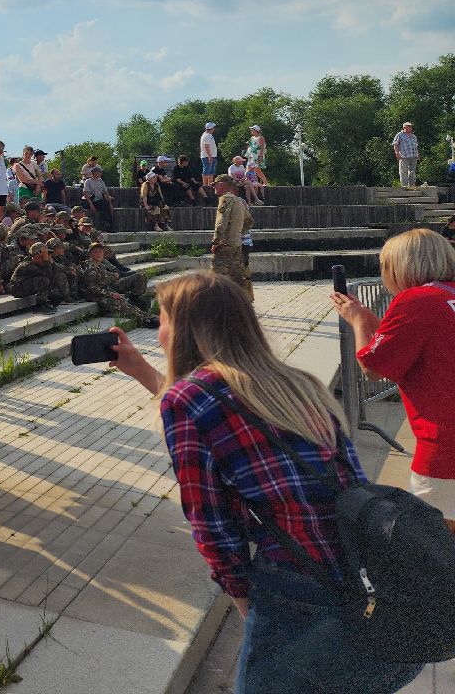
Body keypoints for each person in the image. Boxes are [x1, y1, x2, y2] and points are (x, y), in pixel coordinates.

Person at [111, 271, 424, 694]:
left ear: (185, 330)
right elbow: (351, 477)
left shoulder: (186, 400)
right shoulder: (297, 384)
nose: (158, 333)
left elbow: (211, 523)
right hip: (358, 566)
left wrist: (244, 601)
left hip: (295, 581)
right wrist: (141, 371)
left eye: (162, 320)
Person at [330, 228, 455, 532]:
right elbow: (402, 339)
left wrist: (357, 320)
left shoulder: (415, 300)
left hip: (445, 448)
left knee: (432, 541)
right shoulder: (445, 296)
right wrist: (364, 315)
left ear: (400, 267)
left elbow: (374, 366)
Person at [211, 174, 254, 301]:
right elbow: (249, 221)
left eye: (215, 185)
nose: (214, 187)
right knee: (238, 274)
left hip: (225, 244)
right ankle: (245, 299)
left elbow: (221, 223)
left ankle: (219, 301)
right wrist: (238, 234)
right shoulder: (240, 201)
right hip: (237, 243)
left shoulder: (225, 199)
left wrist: (216, 242)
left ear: (222, 185)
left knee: (218, 274)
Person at [8, 241, 56, 311]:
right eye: (43, 256)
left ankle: (45, 303)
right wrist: (46, 260)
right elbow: (47, 273)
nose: (47, 257)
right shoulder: (27, 265)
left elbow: (52, 273)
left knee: (49, 278)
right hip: (18, 289)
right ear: (36, 256)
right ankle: (40, 305)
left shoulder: (38, 265)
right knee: (43, 280)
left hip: (26, 286)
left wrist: (50, 262)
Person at [80, 166, 115, 231]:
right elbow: (86, 193)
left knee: (106, 204)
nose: (101, 173)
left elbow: (106, 192)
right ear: (95, 173)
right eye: (100, 172)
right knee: (104, 204)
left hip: (99, 201)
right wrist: (91, 205)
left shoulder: (101, 181)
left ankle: (109, 224)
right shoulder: (88, 181)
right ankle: (107, 224)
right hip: (90, 201)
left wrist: (110, 204)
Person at [393, 122, 419, 188]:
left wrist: (417, 154)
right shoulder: (399, 135)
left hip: (413, 156)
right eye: (409, 126)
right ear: (404, 127)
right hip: (404, 156)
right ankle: (404, 185)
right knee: (403, 171)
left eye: (411, 126)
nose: (411, 128)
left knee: (412, 171)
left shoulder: (413, 136)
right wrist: (397, 153)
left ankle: (412, 185)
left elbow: (416, 146)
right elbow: (395, 145)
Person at [245, 126, 268, 192]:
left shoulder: (261, 137)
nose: (251, 131)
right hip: (252, 156)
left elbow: (262, 147)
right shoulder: (252, 138)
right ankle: (248, 182)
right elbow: (251, 146)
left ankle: (265, 183)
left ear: (256, 130)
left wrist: (260, 156)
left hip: (257, 155)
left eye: (252, 130)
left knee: (257, 170)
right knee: (248, 169)